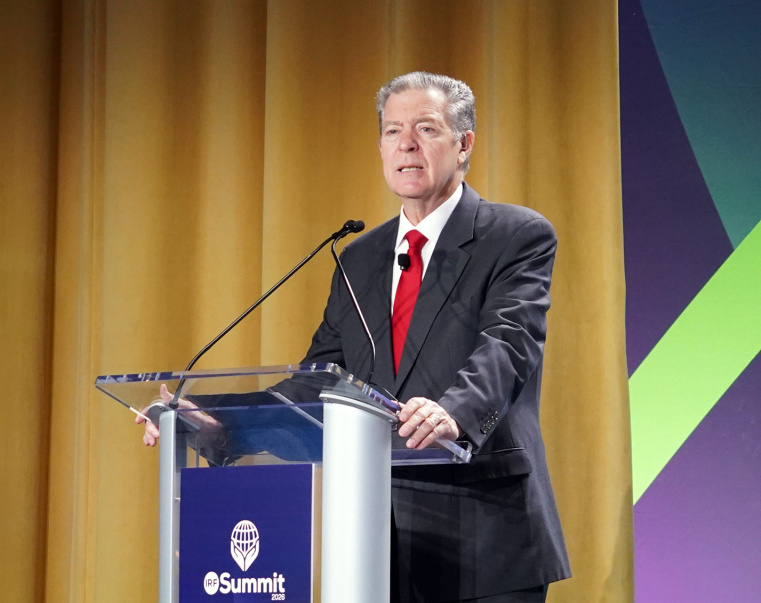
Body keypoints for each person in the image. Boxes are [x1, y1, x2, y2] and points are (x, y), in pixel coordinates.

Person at [139, 72, 570, 602]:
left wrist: (452, 411)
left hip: (486, 537)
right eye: (393, 131)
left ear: (464, 144)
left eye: (426, 128)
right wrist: (214, 416)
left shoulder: (514, 235)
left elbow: (508, 342)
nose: (406, 143)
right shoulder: (360, 257)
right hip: (374, 545)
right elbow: (312, 386)